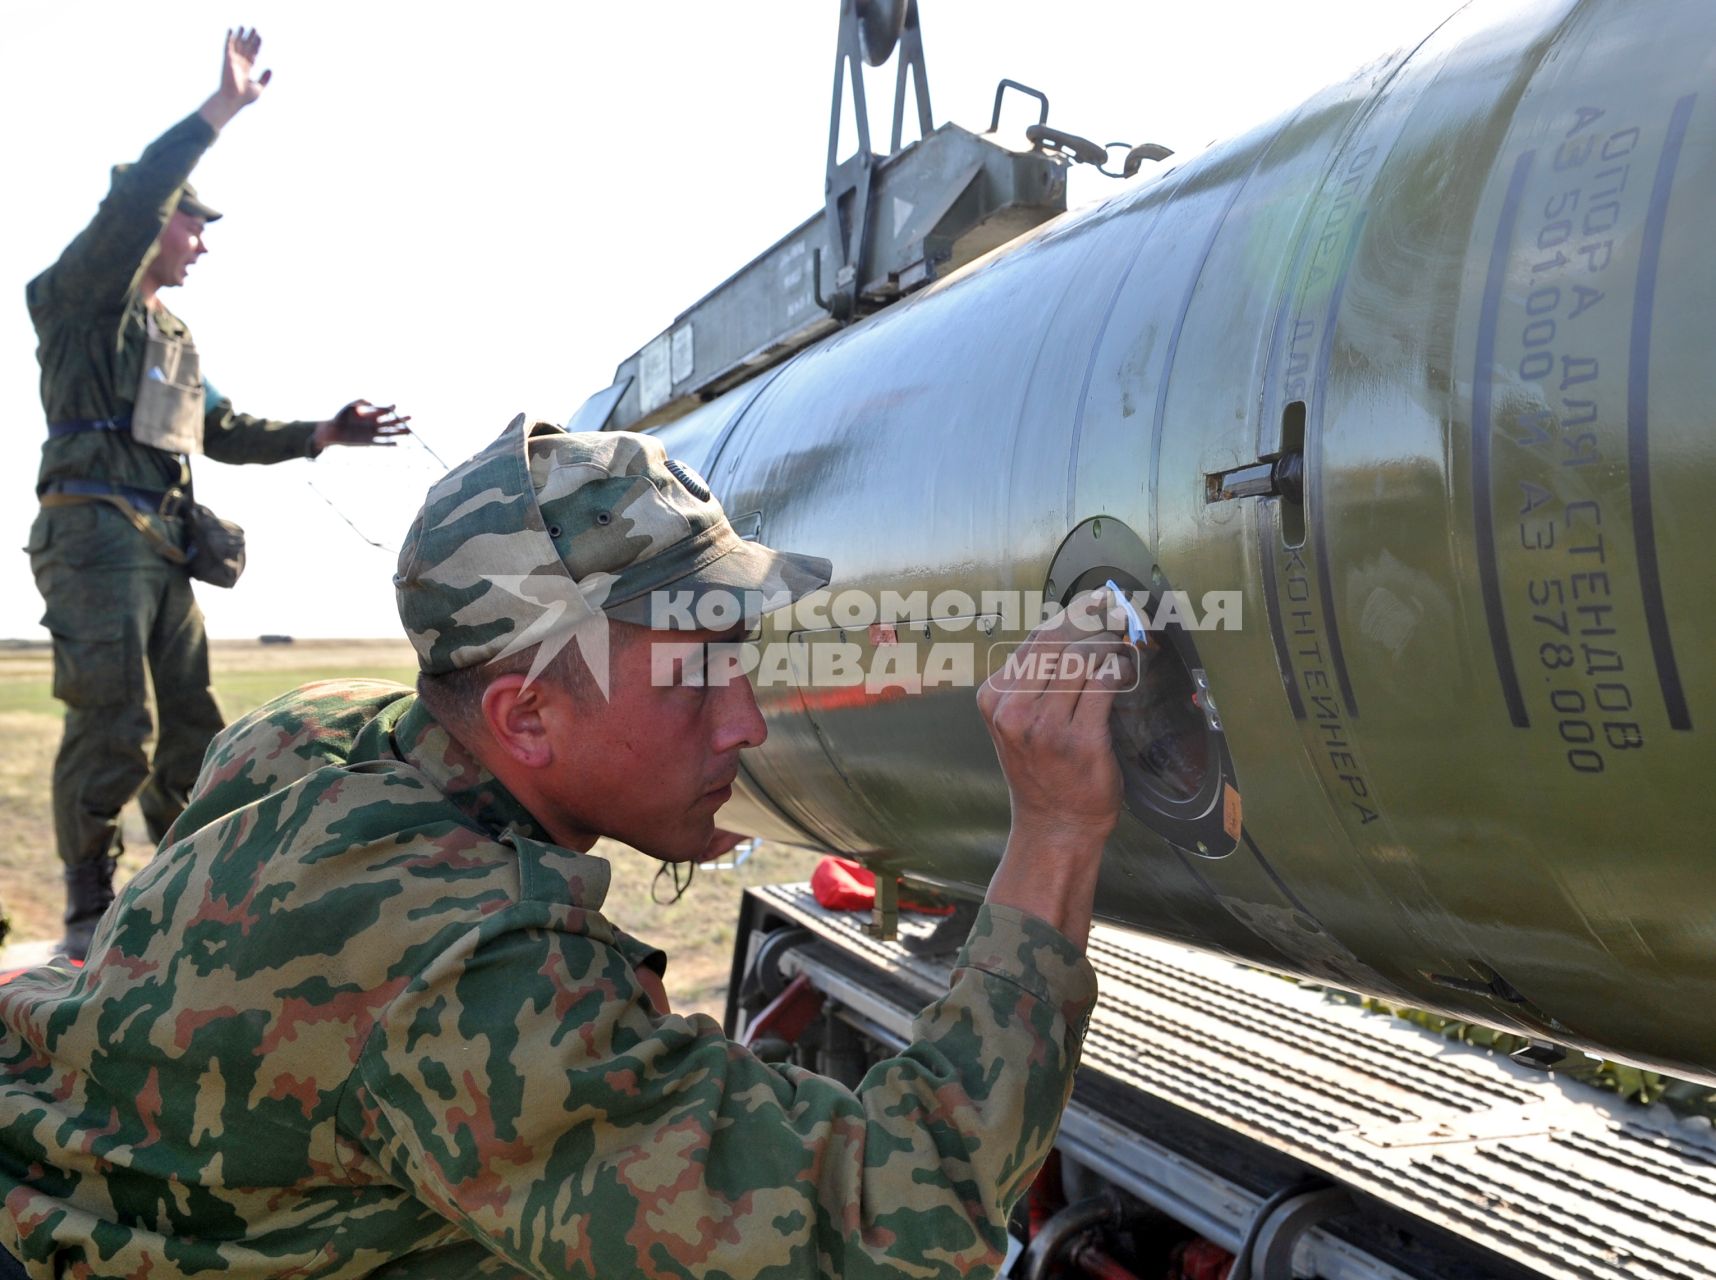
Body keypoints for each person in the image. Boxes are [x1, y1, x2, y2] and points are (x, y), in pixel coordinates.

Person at [0, 416, 1129, 1278]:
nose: (743, 720)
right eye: (690, 675)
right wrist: (1057, 833)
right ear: (525, 718)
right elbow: (898, 1214)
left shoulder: (315, 731)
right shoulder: (470, 977)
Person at [25, 29, 410, 959]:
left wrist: (322, 433)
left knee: (192, 723)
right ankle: (89, 901)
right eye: (194, 224)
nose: (201, 243)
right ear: (156, 221)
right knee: (112, 716)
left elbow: (220, 429)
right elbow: (132, 201)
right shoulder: (79, 299)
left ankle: (189, 889)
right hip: (91, 533)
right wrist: (222, 111)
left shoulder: (173, 336)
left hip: (162, 543)